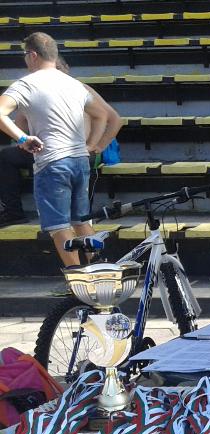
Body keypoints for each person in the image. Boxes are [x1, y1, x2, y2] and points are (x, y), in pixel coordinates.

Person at [0, 33, 113, 266]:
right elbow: (102, 114)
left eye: (25, 55)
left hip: (52, 162)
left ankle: (76, 278)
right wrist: (91, 145)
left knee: (59, 226)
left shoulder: (27, 84)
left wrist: (22, 138)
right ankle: (100, 273)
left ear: (33, 55)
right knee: (81, 221)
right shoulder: (73, 84)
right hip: (79, 160)